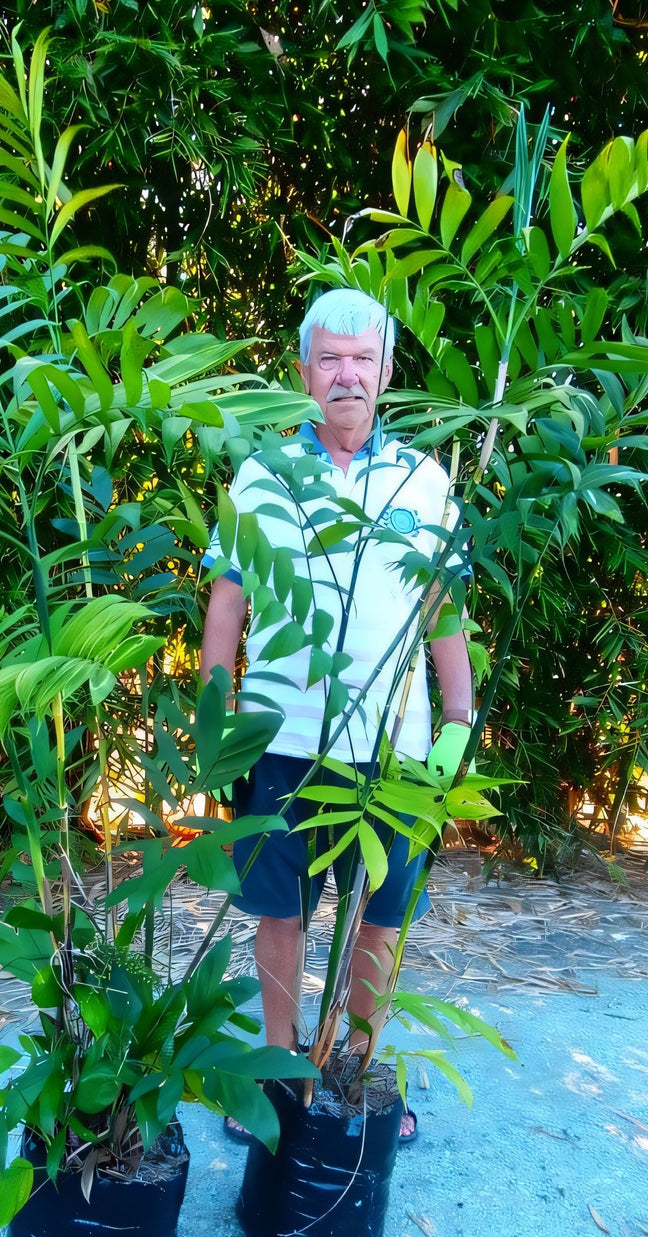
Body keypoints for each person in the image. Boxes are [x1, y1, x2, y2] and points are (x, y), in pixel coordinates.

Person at [200, 289, 473, 1142]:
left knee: (379, 917)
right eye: (331, 358)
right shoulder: (266, 473)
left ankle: (353, 1072)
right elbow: (228, 598)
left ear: (387, 371)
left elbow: (444, 607)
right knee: (278, 913)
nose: (347, 374)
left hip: (395, 754)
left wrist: (457, 717)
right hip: (280, 739)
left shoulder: (426, 483)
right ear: (304, 371)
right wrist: (215, 711)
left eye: (363, 358)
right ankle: (281, 1075)